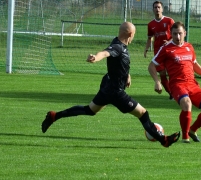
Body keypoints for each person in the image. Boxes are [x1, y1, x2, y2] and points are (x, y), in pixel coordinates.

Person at [41, 22, 180, 148]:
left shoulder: (120, 44)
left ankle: (54, 116)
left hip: (108, 85)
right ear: (131, 34)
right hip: (116, 92)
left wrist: (127, 75)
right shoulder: (118, 47)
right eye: (134, 34)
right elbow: (105, 53)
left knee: (90, 110)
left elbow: (119, 62)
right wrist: (96, 57)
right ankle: (163, 140)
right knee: (143, 113)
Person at [148, 21, 201, 143]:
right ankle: (185, 137)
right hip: (177, 85)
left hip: (192, 84)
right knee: (186, 103)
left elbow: (194, 64)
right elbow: (151, 66)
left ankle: (192, 130)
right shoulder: (166, 49)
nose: (177, 37)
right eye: (174, 34)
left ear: (185, 33)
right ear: (171, 34)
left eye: (180, 33)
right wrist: (157, 82)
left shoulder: (189, 47)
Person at [144, 1, 175, 99]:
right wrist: (146, 49)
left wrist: (169, 42)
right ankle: (171, 94)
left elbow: (177, 35)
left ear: (162, 9)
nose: (157, 9)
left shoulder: (169, 21)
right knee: (162, 73)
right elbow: (150, 38)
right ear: (153, 9)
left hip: (170, 51)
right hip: (158, 53)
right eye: (155, 7)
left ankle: (177, 91)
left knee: (172, 73)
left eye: (159, 7)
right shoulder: (151, 24)